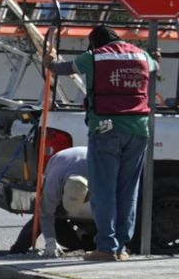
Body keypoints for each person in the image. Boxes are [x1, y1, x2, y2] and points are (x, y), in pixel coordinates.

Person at [64, 26, 159, 260]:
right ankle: (121, 248)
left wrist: (49, 61)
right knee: (128, 190)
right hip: (138, 130)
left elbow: (63, 69)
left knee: (104, 190)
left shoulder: (94, 56)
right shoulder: (140, 55)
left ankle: (106, 247)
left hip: (105, 130)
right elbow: (155, 64)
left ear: (95, 42)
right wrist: (155, 56)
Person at [7, 145, 91, 256]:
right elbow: (45, 213)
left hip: (85, 160)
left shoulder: (100, 179)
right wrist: (50, 242)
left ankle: (88, 239)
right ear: (62, 191)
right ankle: (18, 249)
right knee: (45, 214)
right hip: (58, 160)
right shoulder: (53, 186)